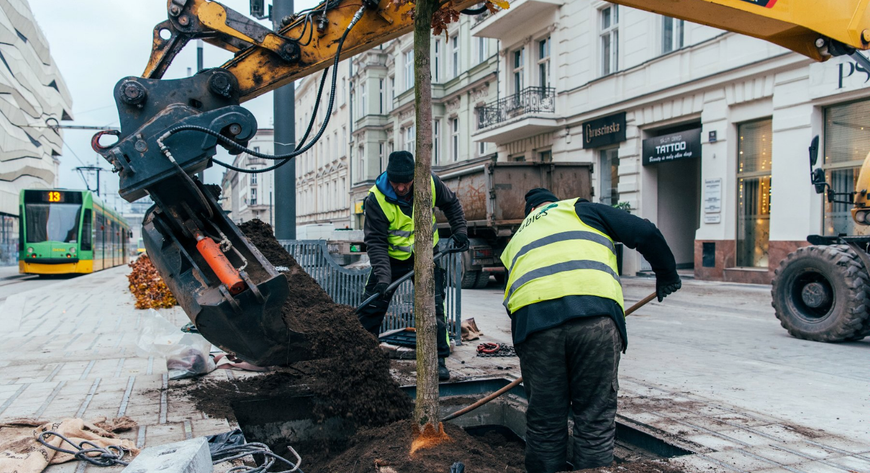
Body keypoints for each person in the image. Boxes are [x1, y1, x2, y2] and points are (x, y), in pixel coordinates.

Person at [500, 188, 681, 472]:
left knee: (545, 423)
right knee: (594, 420)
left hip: (536, 327)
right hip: (594, 320)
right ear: (553, 204)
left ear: (530, 213)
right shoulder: (580, 210)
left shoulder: (517, 239)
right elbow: (644, 232)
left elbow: (512, 301)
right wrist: (667, 273)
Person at [359, 150, 468, 381]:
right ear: (389, 177)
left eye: (405, 183)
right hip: (390, 258)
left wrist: (460, 231)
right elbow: (375, 242)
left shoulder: (429, 182)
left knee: (434, 307)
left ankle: (438, 359)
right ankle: (362, 358)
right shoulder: (375, 199)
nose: (400, 188)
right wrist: (383, 278)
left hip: (427, 254)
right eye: (396, 183)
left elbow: (452, 203)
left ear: (414, 176)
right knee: (371, 308)